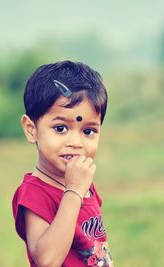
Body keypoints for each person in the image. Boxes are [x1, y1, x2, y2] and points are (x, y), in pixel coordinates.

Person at [12, 60, 113, 267]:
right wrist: (74, 191)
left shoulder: (83, 183)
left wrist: (77, 187)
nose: (75, 143)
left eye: (88, 131)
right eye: (60, 128)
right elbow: (46, 261)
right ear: (31, 129)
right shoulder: (35, 192)